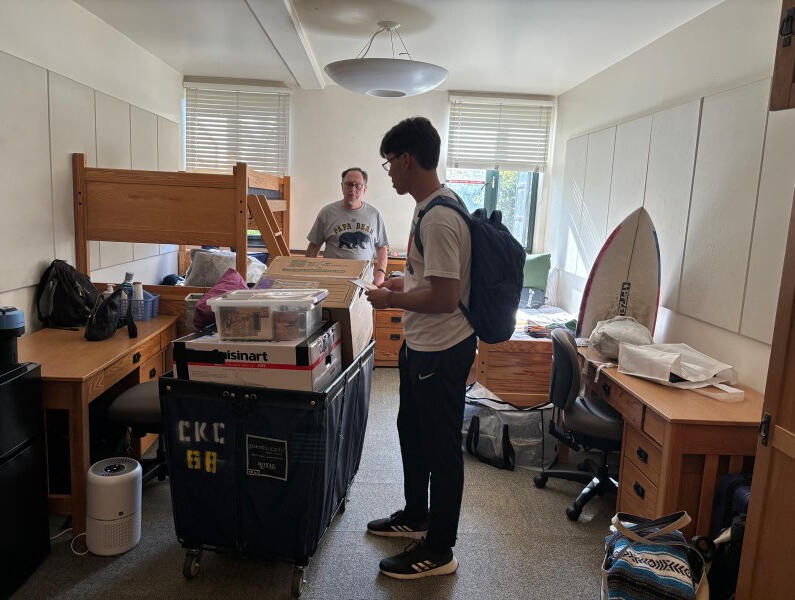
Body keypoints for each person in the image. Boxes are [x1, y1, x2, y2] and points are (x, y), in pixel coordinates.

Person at [364, 117, 476, 580]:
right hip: (421, 345)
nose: (388, 171)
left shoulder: (442, 217)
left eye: (390, 162)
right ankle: (416, 515)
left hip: (443, 349)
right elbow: (431, 279)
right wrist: (403, 281)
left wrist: (392, 299)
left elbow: (446, 297)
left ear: (407, 159)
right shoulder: (428, 205)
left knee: (441, 447)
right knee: (412, 432)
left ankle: (440, 549)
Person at [306, 167, 389, 285]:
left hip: (364, 283)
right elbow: (314, 246)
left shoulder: (374, 214)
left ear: (365, 188)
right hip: (332, 282)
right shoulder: (327, 212)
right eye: (349, 184)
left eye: (358, 185)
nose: (353, 189)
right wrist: (307, 276)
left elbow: (381, 247)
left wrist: (380, 273)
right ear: (342, 187)